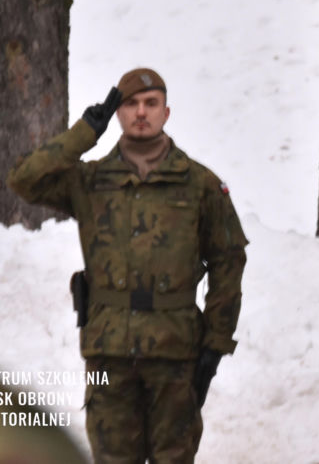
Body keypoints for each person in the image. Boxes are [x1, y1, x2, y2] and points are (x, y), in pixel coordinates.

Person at [6, 68, 247, 464]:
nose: (140, 112)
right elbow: (23, 179)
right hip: (109, 354)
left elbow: (229, 258)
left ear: (166, 113)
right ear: (118, 113)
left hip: (176, 354)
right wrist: (84, 132)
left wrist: (215, 343)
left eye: (151, 104)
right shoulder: (90, 180)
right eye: (131, 104)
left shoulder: (198, 184)